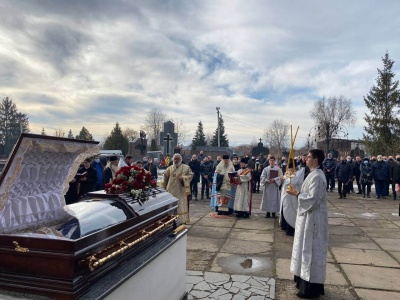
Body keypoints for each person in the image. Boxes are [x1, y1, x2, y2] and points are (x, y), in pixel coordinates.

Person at [287, 149, 328, 299]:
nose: (306, 159)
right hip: (307, 218)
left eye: (309, 157)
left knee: (310, 251)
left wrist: (297, 194)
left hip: (314, 220)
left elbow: (313, 199)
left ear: (316, 160)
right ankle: (302, 282)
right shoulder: (312, 174)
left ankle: (310, 289)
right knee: (304, 249)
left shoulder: (317, 176)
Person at [161, 154, 192, 224]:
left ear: (180, 160)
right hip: (170, 191)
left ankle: (181, 220)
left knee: (180, 206)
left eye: (177, 159)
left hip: (181, 191)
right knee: (170, 206)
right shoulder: (169, 169)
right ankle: (170, 220)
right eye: (175, 159)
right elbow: (164, 180)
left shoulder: (186, 168)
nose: (176, 160)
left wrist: (184, 178)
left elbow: (190, 176)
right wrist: (163, 190)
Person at [280, 165, 305, 236]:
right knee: (285, 211)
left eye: (291, 169)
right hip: (285, 197)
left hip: (292, 198)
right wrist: (282, 180)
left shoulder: (297, 175)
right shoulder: (286, 175)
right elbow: (284, 183)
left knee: (291, 213)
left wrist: (286, 180)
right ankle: (284, 226)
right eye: (288, 169)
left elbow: (293, 182)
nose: (289, 170)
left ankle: (291, 229)